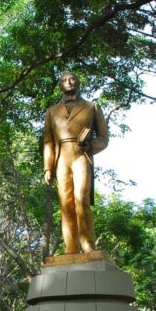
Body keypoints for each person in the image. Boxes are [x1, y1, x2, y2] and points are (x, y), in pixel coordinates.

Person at [42, 71, 109, 254]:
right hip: (61, 158)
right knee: (66, 203)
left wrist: (90, 145)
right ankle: (70, 246)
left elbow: (103, 138)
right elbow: (48, 141)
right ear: (60, 85)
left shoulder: (91, 107)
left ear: (78, 82)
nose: (69, 82)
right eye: (64, 80)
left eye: (72, 79)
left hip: (81, 156)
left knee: (81, 198)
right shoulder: (52, 112)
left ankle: (88, 244)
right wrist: (48, 167)